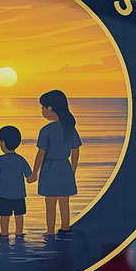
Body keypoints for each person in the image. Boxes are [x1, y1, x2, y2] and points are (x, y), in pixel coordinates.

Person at [33, 88, 81, 234]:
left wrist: (34, 172)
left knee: (50, 202)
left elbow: (40, 153)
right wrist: (72, 170)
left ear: (50, 108)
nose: (42, 111)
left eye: (43, 107)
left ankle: (50, 231)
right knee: (64, 201)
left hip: (50, 168)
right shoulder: (70, 128)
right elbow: (75, 151)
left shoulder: (46, 130)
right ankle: (65, 227)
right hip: (65, 167)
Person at [0, 125, 32, 240]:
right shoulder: (21, 160)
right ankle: (19, 234)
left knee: (4, 218)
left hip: (4, 196)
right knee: (19, 217)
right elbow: (30, 176)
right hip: (19, 196)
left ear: (3, 143)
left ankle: (4, 235)